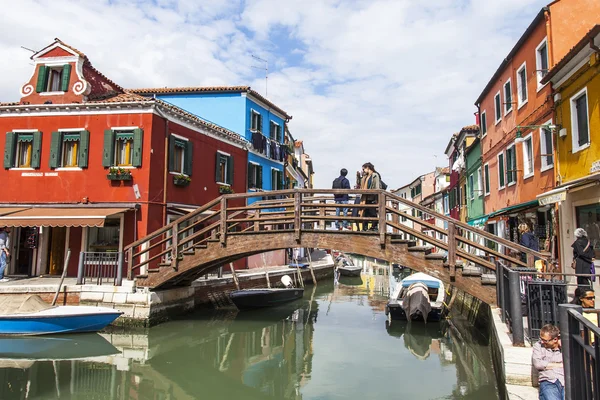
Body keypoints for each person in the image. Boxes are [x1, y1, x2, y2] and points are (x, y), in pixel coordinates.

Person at [532, 324, 564, 400]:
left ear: (555, 339)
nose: (542, 342)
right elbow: (538, 364)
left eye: (545, 340)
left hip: (564, 380)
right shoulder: (538, 346)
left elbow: (572, 363)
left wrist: (563, 347)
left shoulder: (564, 347)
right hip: (549, 381)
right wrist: (560, 365)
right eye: (541, 339)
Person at [359, 162, 382, 232]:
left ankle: (374, 227)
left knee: (372, 212)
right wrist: (358, 177)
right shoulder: (365, 177)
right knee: (365, 212)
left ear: (368, 168)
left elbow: (377, 186)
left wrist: (377, 196)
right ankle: (365, 227)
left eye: (364, 169)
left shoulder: (375, 175)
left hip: (372, 196)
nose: (363, 171)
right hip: (365, 197)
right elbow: (360, 184)